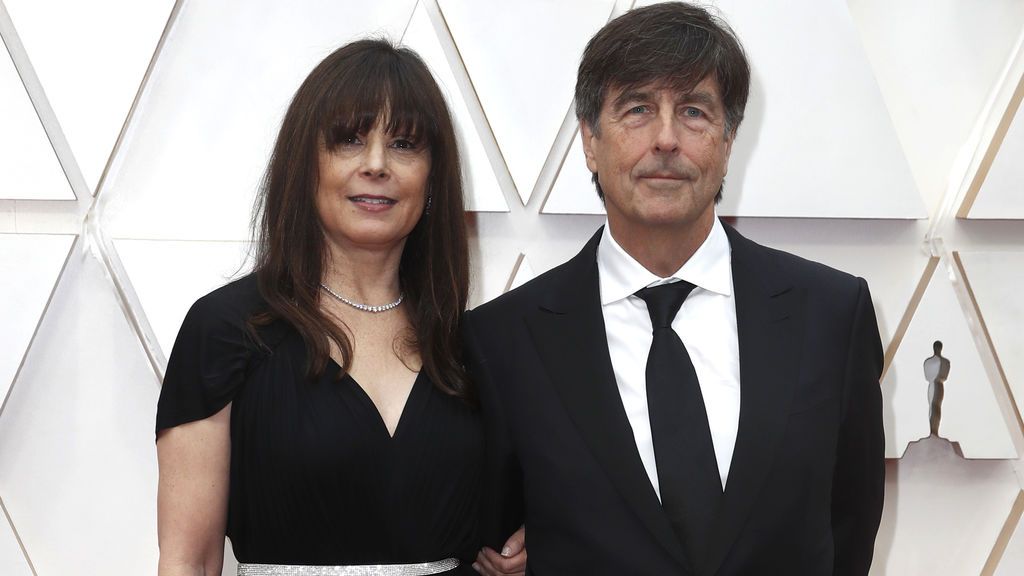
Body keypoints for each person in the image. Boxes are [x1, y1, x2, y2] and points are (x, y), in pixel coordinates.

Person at [462, 3, 885, 575]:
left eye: (693, 111)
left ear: (728, 141)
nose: (665, 139)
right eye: (637, 109)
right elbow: (495, 539)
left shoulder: (832, 315)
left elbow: (849, 529)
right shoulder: (504, 340)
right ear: (590, 139)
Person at [156, 39, 525, 576]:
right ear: (305, 164)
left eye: (404, 144)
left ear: (432, 177)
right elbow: (189, 561)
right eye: (349, 140)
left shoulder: (467, 344)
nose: (376, 165)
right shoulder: (226, 330)